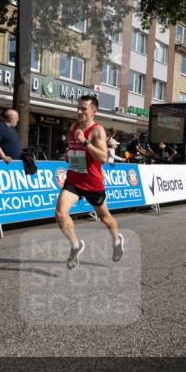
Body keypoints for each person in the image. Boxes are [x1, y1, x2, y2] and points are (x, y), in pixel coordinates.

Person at [55, 95, 123, 270]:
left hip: (92, 182)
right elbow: (74, 151)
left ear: (93, 111)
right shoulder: (74, 127)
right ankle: (76, 246)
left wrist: (85, 142)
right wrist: (69, 155)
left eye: (83, 108)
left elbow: (103, 158)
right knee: (60, 214)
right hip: (74, 178)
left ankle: (116, 240)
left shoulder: (97, 130)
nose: (79, 111)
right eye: (78, 108)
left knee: (105, 218)